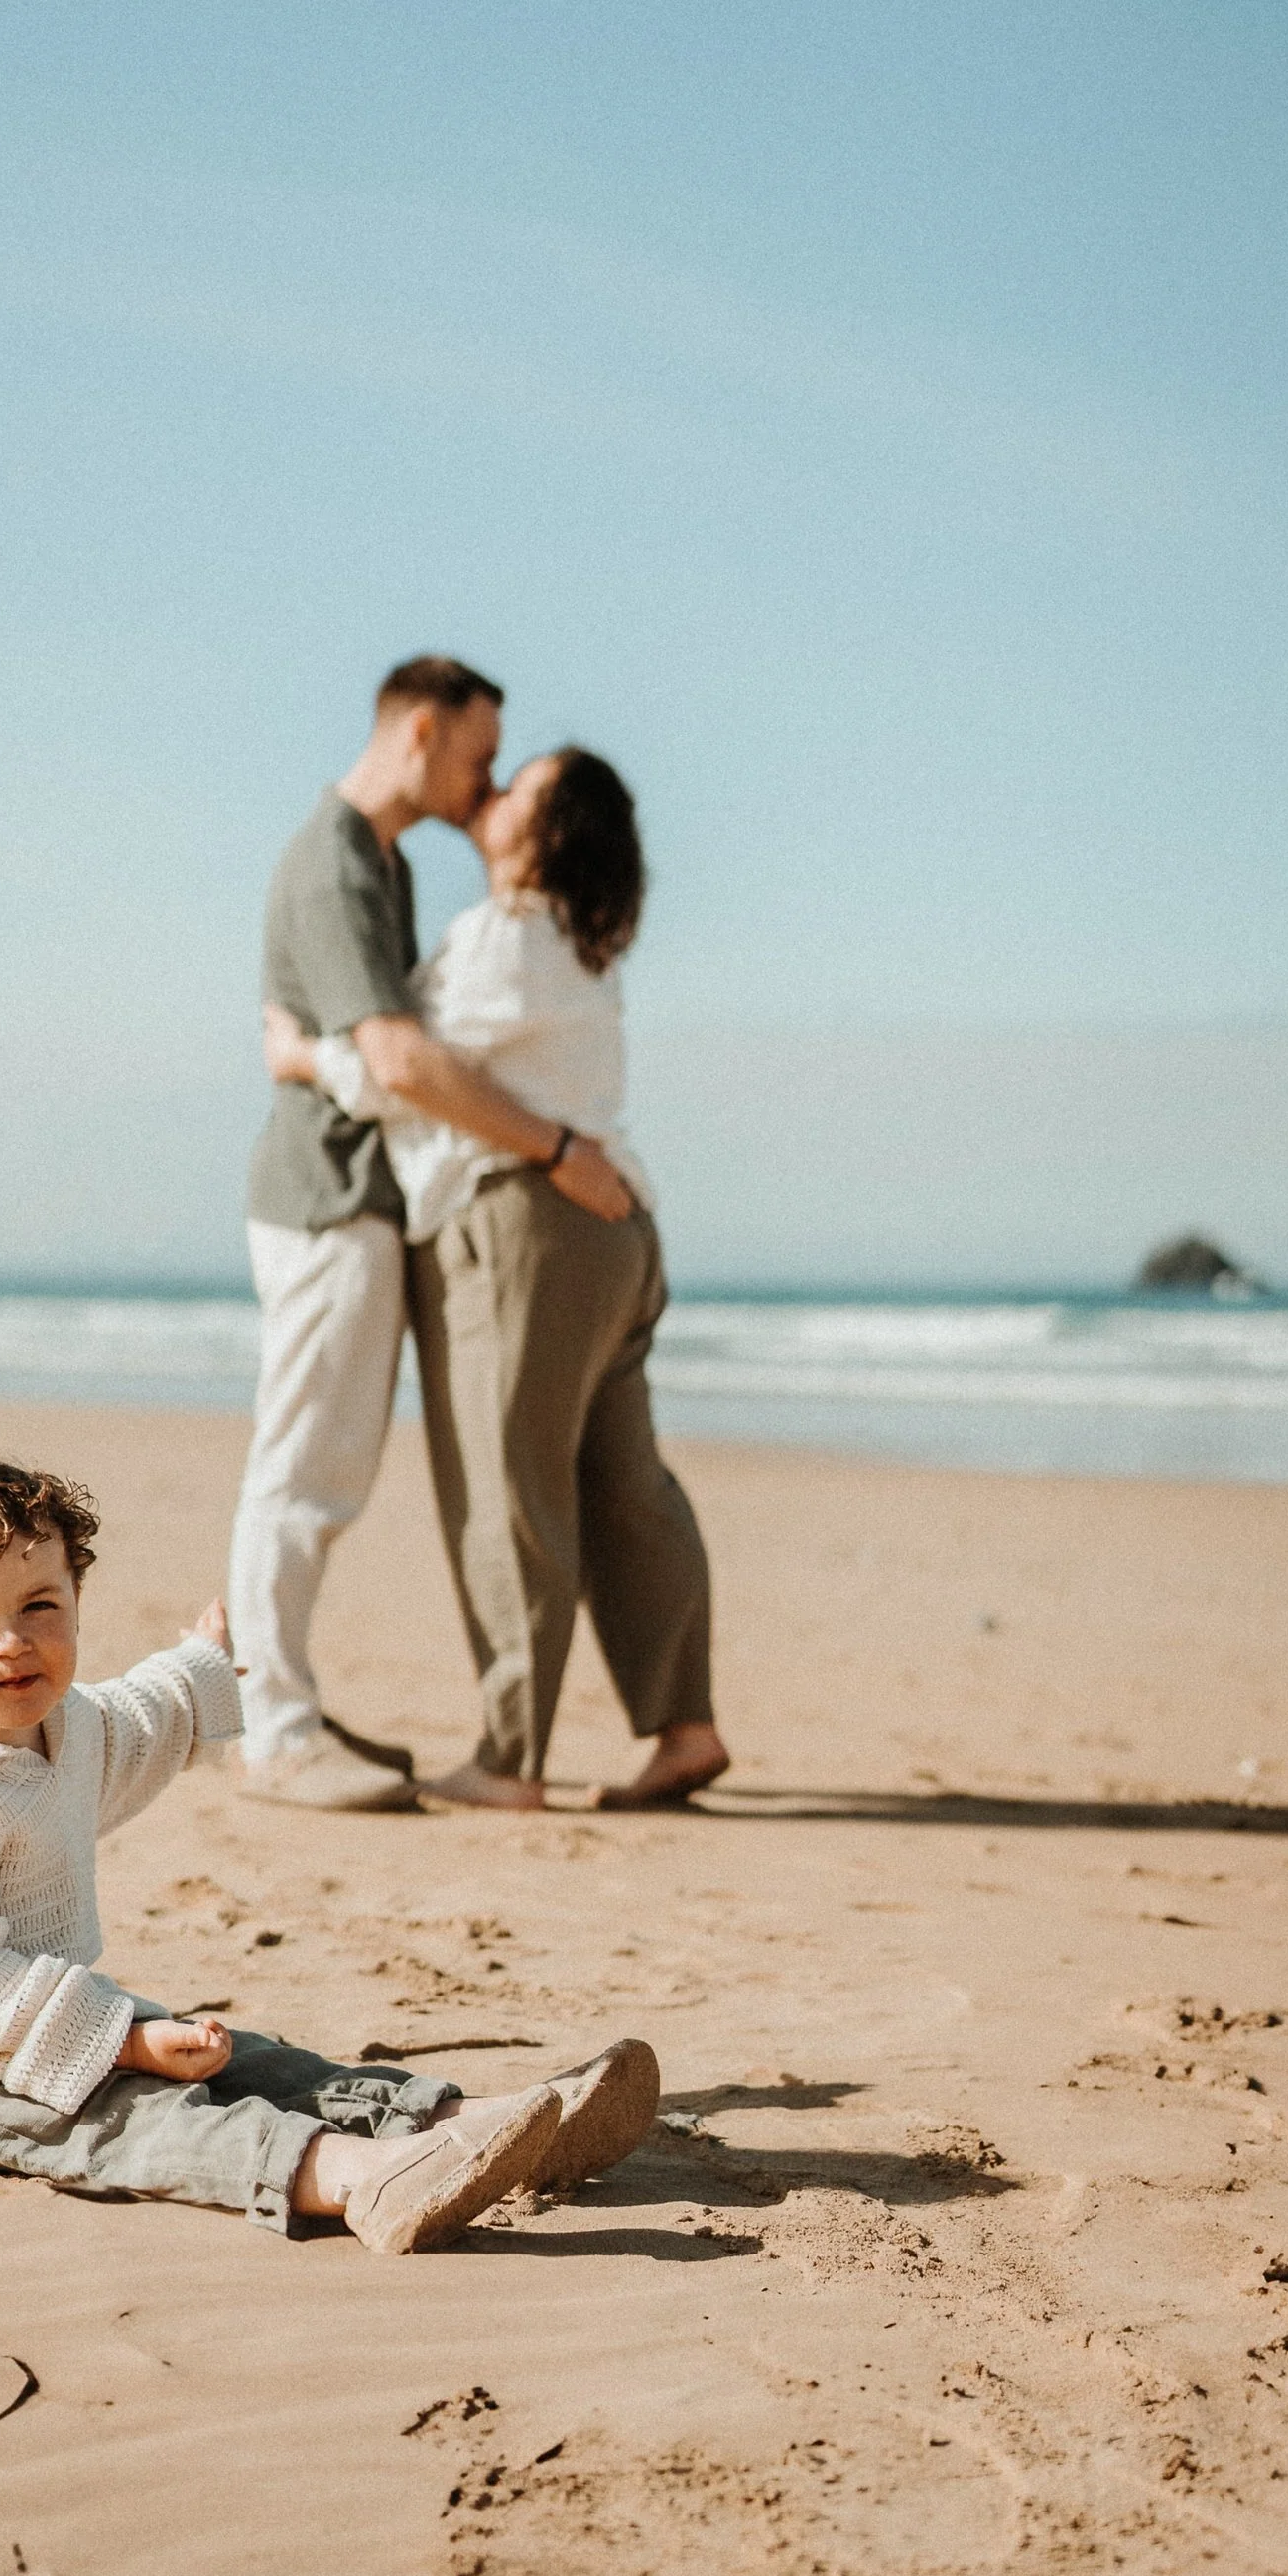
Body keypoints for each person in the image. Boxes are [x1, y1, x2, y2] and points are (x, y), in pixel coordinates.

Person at [0, 1450, 664, 2251]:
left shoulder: (65, 1726)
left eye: (40, 1606)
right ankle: (359, 2179)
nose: (12, 1641)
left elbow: (136, 1721)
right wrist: (126, 2045)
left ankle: (469, 2125)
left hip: (35, 2020)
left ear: (77, 1601)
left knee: (249, 2059)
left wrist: (199, 1667)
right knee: (137, 2115)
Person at [269, 747, 727, 1813]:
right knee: (626, 1489)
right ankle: (684, 1724)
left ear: (547, 831)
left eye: (519, 785)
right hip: (616, 1238)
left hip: (518, 1231)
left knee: (505, 1489)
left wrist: (302, 1056)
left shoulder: (505, 937)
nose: (495, 789)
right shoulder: (581, 948)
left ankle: (510, 1758)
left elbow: (411, 1074)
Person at [229, 657, 637, 1813]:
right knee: (304, 1472)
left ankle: (282, 1704)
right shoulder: (337, 864)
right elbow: (405, 1058)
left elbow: (393, 1044)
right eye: (477, 755)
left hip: (363, 1199)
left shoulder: (382, 865)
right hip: (327, 1200)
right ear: (418, 731)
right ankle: (270, 1725)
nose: (486, 783)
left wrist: (313, 1052)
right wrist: (557, 1151)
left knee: (327, 1470)